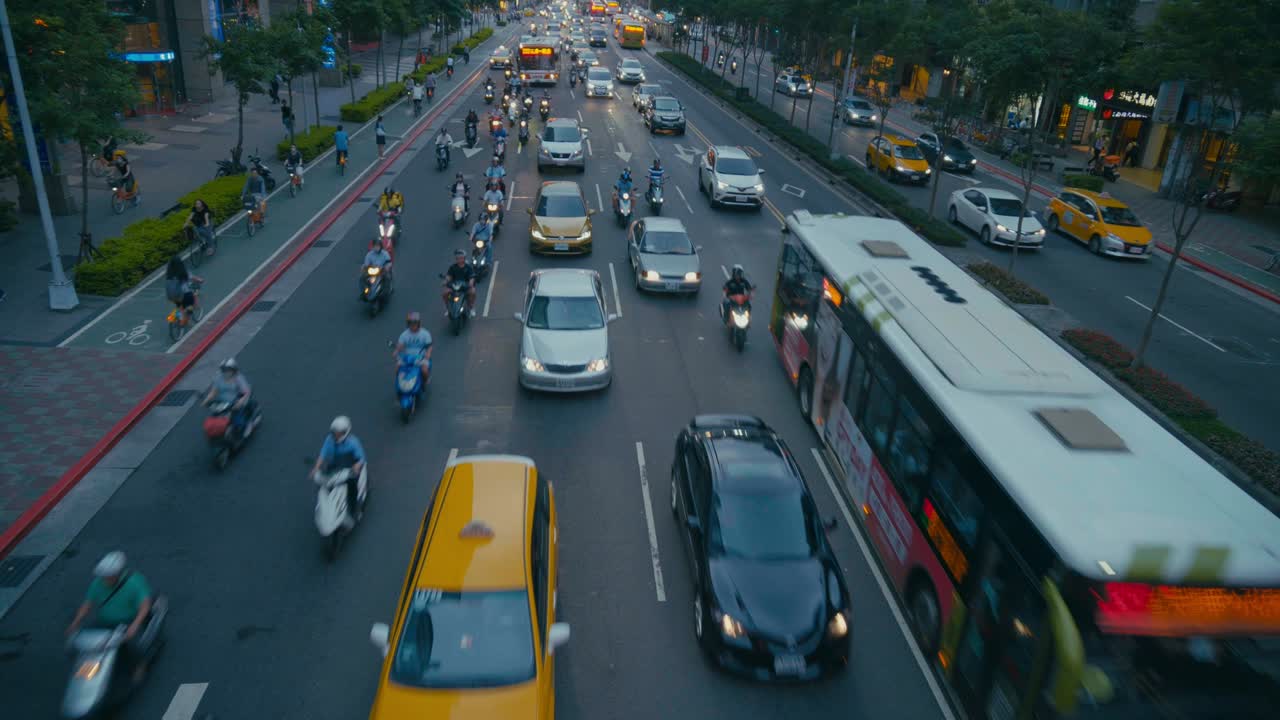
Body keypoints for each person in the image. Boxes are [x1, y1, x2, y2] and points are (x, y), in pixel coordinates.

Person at [65, 552, 155, 683]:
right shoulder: (98, 583)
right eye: (103, 577)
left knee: (129, 644)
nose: (104, 580)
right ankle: (88, 676)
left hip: (127, 622)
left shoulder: (135, 581)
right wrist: (76, 622)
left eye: (108, 577)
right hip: (105, 622)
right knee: (85, 642)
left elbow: (145, 606)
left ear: (117, 574)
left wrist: (135, 625)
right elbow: (87, 605)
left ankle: (140, 666)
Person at [311, 416, 366, 523]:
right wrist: (316, 468)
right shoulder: (329, 440)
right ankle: (324, 508)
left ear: (345, 432)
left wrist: (357, 466)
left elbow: (361, 458)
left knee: (352, 487)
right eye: (335, 432)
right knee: (323, 486)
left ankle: (355, 509)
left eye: (339, 432)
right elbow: (323, 454)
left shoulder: (353, 442)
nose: (336, 435)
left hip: (349, 469)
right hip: (334, 468)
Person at [203, 357, 255, 432]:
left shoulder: (238, 378)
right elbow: (214, 391)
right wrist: (207, 400)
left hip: (237, 399)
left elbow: (246, 392)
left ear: (233, 370)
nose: (226, 372)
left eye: (228, 370)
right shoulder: (219, 378)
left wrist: (240, 402)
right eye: (224, 370)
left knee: (237, 419)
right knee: (215, 414)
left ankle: (246, 427)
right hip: (223, 402)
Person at [393, 311, 433, 384]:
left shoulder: (425, 334)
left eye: (415, 323)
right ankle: (399, 382)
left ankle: (426, 380)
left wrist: (428, 354)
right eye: (411, 323)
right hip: (407, 356)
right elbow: (400, 345)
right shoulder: (404, 335)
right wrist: (396, 351)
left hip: (420, 356)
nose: (413, 325)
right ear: (408, 324)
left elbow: (429, 346)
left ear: (418, 324)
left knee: (424, 370)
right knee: (397, 368)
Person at [165, 255, 203, 327]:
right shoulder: (183, 271)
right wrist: (200, 280)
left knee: (180, 306)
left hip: (172, 296)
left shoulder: (169, 274)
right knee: (192, 300)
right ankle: (183, 322)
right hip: (184, 295)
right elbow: (193, 278)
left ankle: (174, 317)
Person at [442, 249, 477, 317]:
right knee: (444, 293)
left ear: (464, 258)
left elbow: (472, 277)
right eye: (458, 258)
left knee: (472, 292)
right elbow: (449, 276)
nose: (459, 260)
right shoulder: (453, 267)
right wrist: (445, 281)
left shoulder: (468, 267)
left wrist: (471, 283)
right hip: (455, 286)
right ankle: (448, 308)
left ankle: (471, 308)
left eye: (461, 258)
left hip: (465, 286)